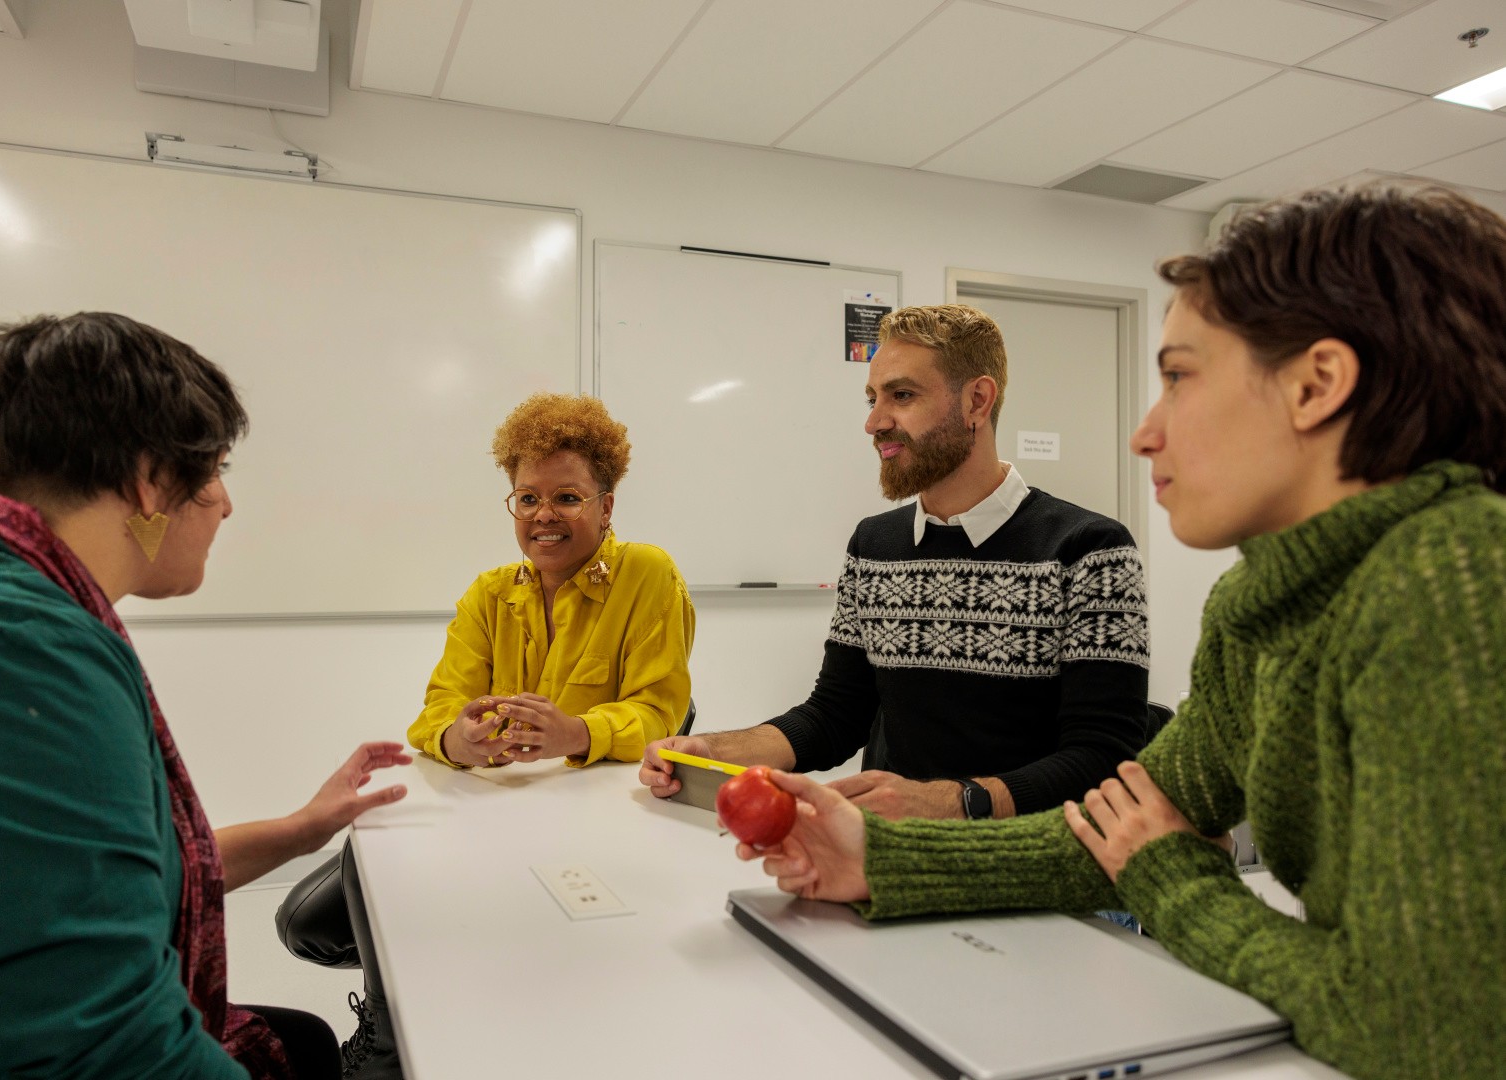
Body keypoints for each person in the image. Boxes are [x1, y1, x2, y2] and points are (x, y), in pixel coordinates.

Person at [738, 182, 1506, 1080]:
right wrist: (880, 857)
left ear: (1315, 386)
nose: (1145, 434)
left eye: (1178, 377)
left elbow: (1415, 1029)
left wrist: (1170, 877)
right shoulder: (1259, 602)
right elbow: (1111, 825)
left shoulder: (1452, 575)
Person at [0, 312, 413, 1080]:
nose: (225, 504)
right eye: (215, 470)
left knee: (300, 1040)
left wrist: (302, 829)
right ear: (148, 481)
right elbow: (106, 1049)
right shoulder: (9, 650)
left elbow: (87, 882)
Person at [276, 391, 694, 1078]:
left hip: (587, 823)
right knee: (305, 927)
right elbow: (438, 707)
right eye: (527, 499)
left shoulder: (647, 573)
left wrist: (577, 732)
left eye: (567, 498)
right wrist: (456, 740)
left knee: (460, 921)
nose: (543, 515)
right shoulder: (489, 593)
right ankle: (429, 989)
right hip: (484, 811)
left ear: (606, 506)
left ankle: (389, 1040)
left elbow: (660, 712)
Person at [640, 303, 1151, 822]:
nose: (874, 422)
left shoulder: (1090, 550)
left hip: (1030, 854)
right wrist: (712, 750)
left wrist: (951, 802)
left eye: (901, 395)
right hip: (894, 847)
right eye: (873, 398)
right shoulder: (875, 544)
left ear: (977, 401)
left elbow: (1104, 759)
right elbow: (835, 716)